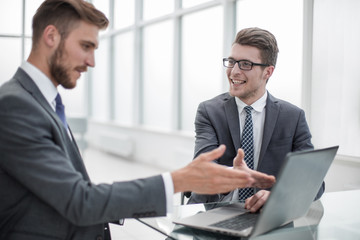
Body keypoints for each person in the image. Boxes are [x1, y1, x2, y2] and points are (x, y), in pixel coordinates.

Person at [0, 1, 275, 239]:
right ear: (51, 36)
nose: (92, 61)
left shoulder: (41, 101)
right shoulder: (16, 105)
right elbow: (78, 200)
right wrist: (177, 181)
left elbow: (67, 192)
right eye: (86, 46)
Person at [187, 27, 324, 212]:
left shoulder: (293, 117)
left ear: (267, 72)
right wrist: (232, 175)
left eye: (245, 64)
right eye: (231, 62)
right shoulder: (210, 111)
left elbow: (315, 182)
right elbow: (203, 169)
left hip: (269, 216)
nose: (234, 71)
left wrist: (278, 196)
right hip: (215, 211)